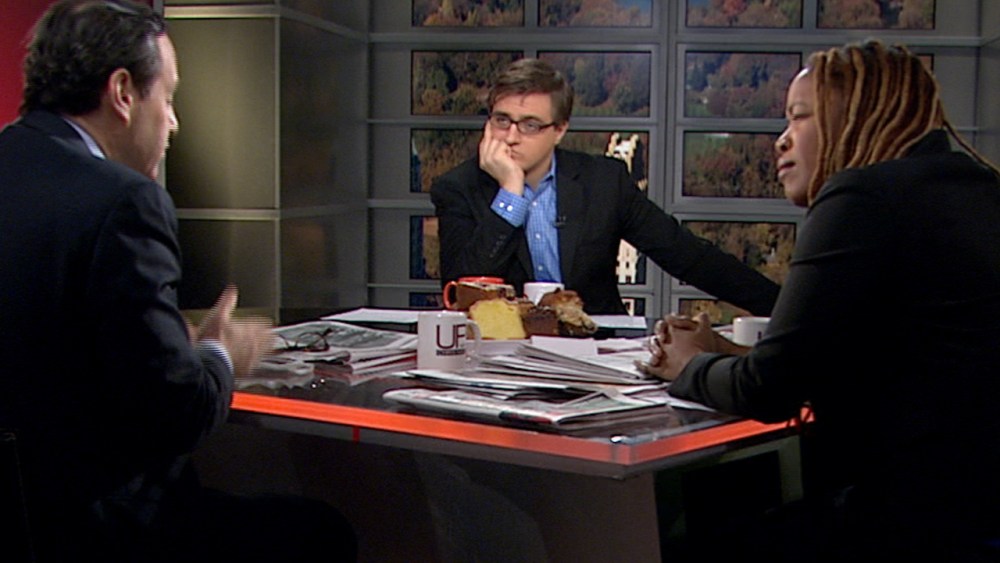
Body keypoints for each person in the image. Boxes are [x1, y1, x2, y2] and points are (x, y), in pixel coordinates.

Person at [0, 1, 355, 561]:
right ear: (123, 93)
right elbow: (177, 413)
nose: (173, 122)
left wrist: (160, 341)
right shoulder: (123, 203)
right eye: (167, 98)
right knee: (321, 532)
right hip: (98, 530)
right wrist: (220, 351)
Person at [640, 40, 1000, 561]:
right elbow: (891, 362)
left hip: (907, 522)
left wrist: (687, 365)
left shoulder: (863, 196)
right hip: (973, 511)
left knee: (680, 537)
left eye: (799, 117)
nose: (781, 141)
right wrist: (729, 352)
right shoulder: (976, 187)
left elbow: (769, 391)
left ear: (851, 114)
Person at [431, 58, 780, 315]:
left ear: (560, 130)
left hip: (596, 349)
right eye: (502, 120)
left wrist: (785, 310)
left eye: (530, 125)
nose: (510, 137)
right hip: (500, 355)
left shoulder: (604, 182)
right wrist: (510, 193)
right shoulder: (458, 188)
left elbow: (687, 256)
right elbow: (460, 290)